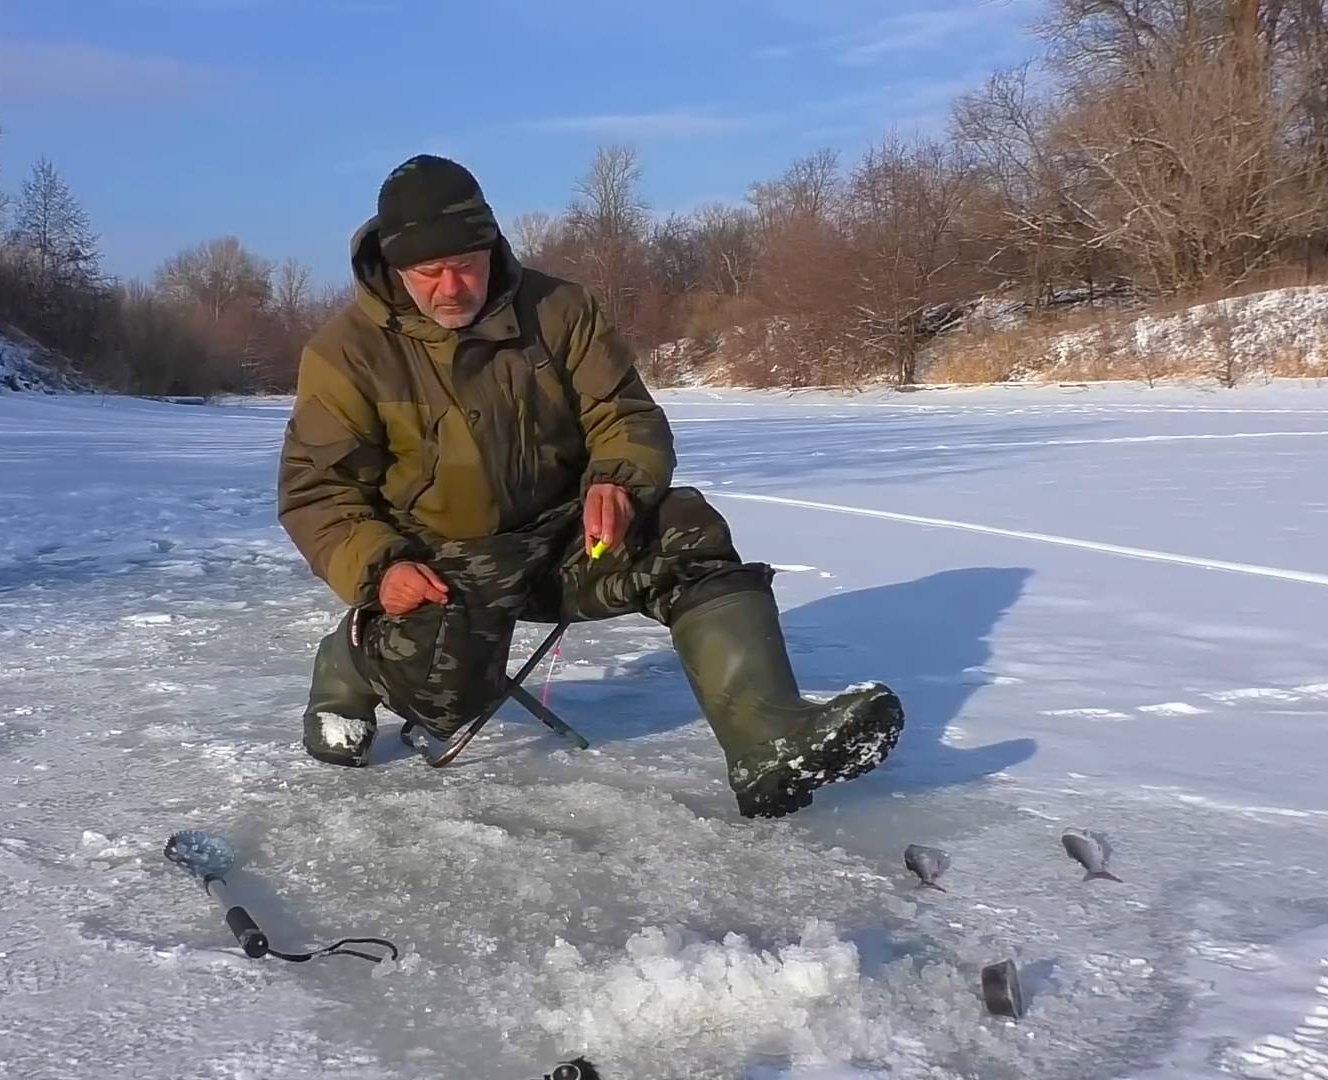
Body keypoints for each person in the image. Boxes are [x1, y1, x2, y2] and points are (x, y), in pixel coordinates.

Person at [276, 154, 903, 818]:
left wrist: (617, 479)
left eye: (465, 263)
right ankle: (347, 665)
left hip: (571, 541)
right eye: (427, 272)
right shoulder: (345, 354)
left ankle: (768, 741)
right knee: (446, 691)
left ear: (492, 245)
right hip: (442, 567)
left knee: (685, 528)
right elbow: (317, 492)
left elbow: (622, 414)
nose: (450, 286)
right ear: (395, 267)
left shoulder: (561, 310)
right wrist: (381, 570)